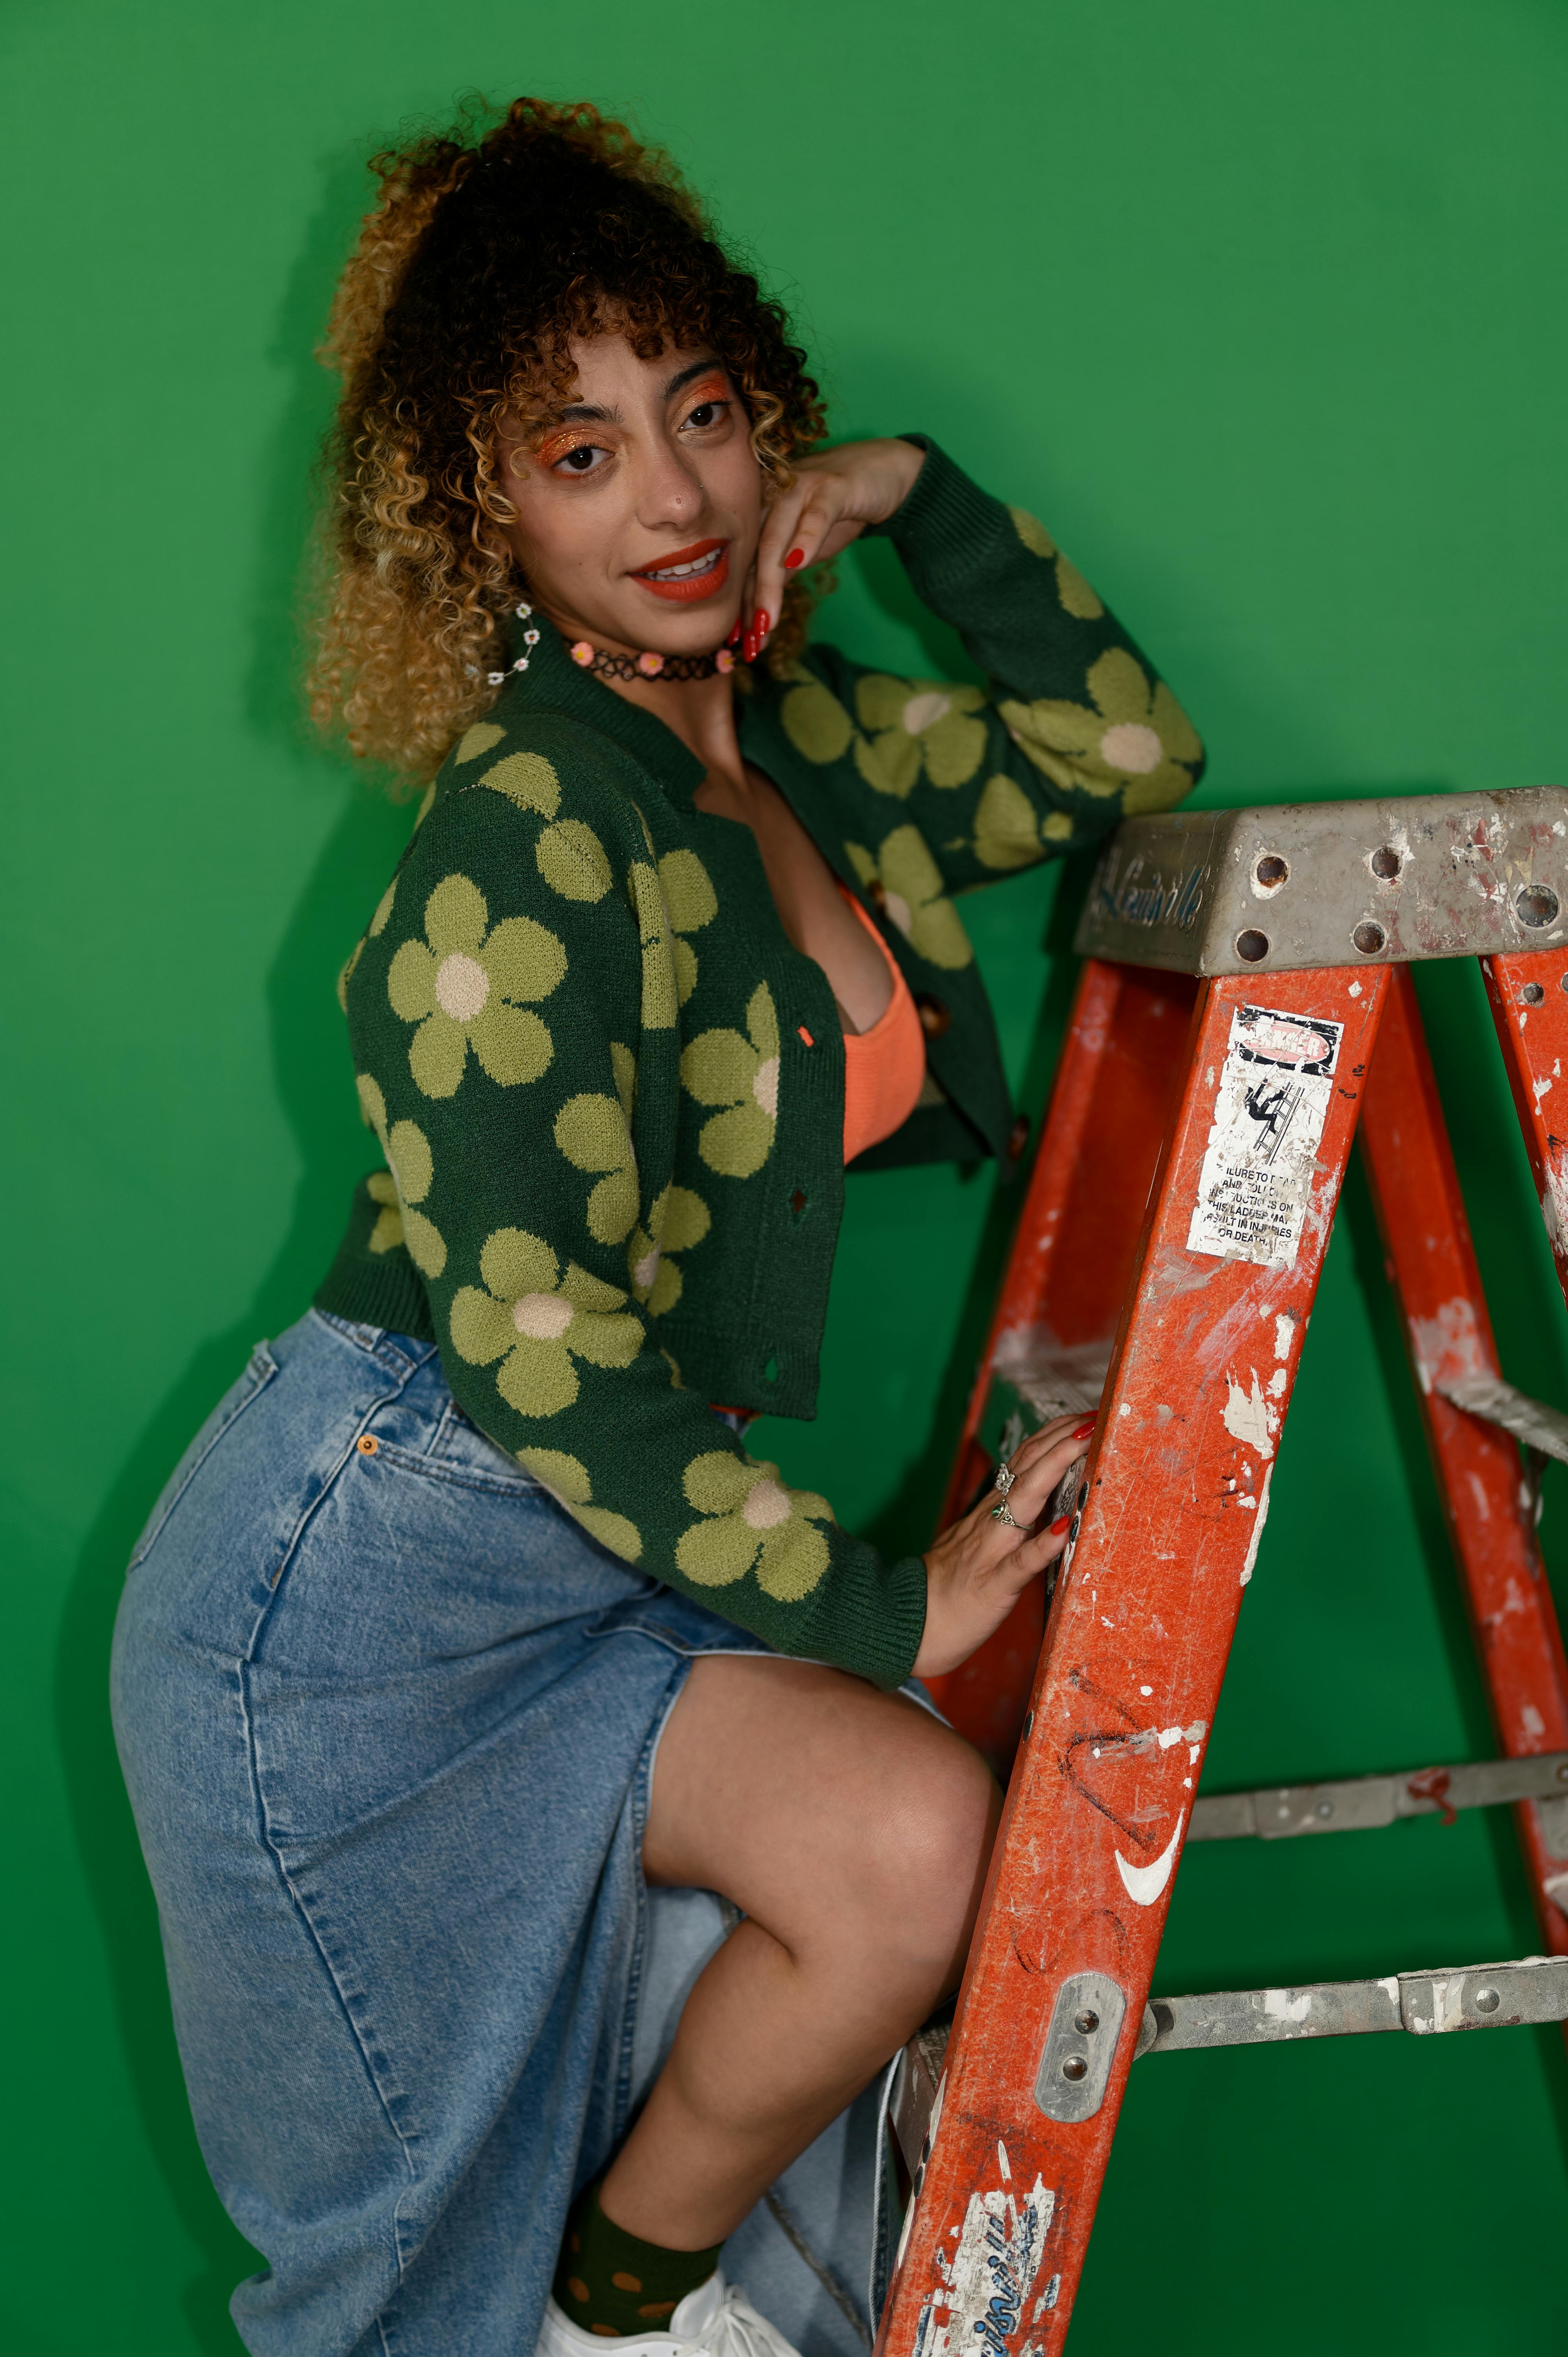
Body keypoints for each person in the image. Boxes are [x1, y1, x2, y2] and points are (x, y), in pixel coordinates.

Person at [111, 97, 1204, 2357]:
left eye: (698, 414)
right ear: (474, 512)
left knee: (904, 1847)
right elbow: (532, 1354)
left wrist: (917, 492)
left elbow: (1122, 754)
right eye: (576, 451)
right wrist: (875, 1597)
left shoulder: (788, 745)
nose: (679, 497)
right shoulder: (520, 845)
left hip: (606, 1544)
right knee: (399, 2280)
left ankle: (628, 2318)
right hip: (363, 1602)